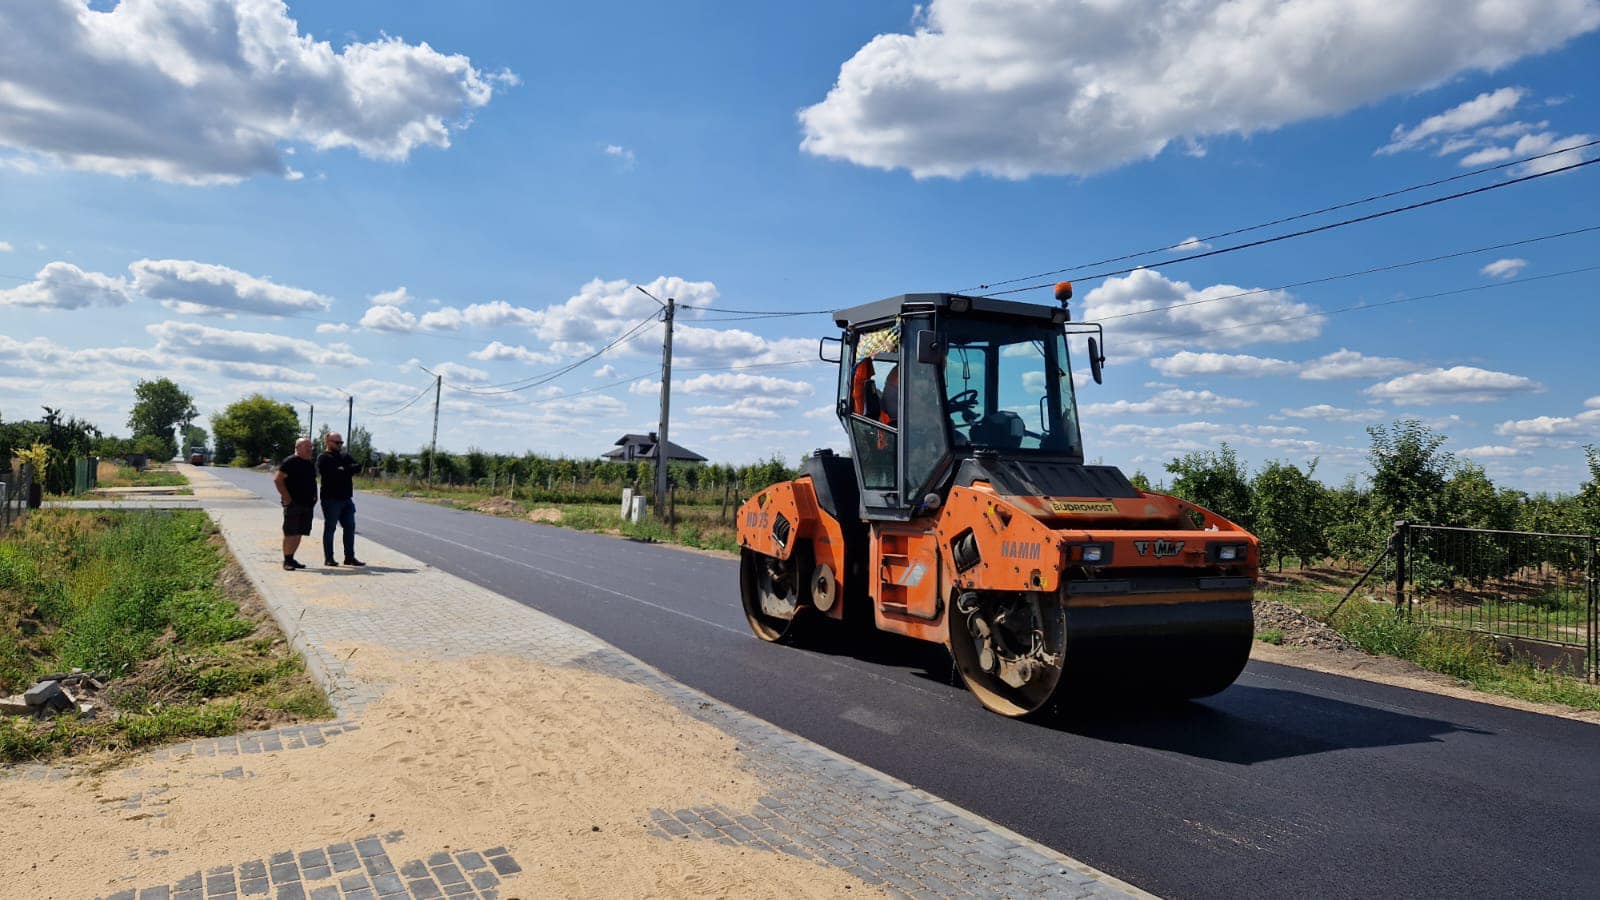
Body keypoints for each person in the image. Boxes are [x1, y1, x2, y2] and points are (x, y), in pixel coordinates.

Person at [317, 432, 365, 567]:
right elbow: (332, 474)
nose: (339, 445)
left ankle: (349, 557)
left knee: (350, 527)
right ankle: (329, 558)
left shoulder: (344, 456)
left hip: (347, 499)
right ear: (327, 442)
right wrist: (346, 470)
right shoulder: (323, 458)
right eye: (336, 442)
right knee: (330, 528)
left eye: (341, 443)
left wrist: (343, 469)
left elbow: (358, 466)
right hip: (331, 499)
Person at [273, 438, 317, 571]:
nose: (310, 449)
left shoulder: (309, 463)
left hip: (307, 504)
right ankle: (286, 561)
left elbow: (313, 481)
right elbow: (277, 479)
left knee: (299, 532)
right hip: (294, 504)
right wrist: (286, 498)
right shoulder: (290, 461)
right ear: (298, 448)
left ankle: (292, 558)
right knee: (290, 532)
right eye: (307, 447)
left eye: (311, 447)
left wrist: (315, 496)